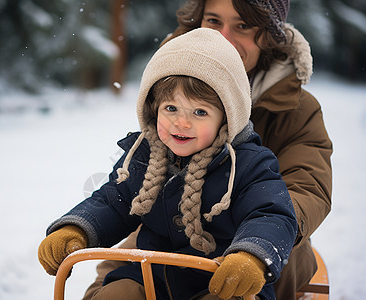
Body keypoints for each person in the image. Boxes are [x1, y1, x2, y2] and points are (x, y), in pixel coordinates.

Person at [82, 0, 333, 299]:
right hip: (168, 231)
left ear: (268, 34)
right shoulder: (175, 79)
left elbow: (308, 186)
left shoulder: (295, 109)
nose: (224, 37)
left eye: (242, 26)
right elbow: (123, 192)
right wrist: (83, 226)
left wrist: (259, 236)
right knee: (116, 281)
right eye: (213, 21)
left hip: (256, 237)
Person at [38, 28, 298, 300]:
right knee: (117, 294)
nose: (181, 123)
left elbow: (271, 214)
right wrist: (76, 228)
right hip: (151, 276)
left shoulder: (249, 164)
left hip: (221, 279)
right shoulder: (142, 156)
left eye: (200, 112)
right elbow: (111, 202)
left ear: (226, 118)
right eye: (171, 108)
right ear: (154, 109)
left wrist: (251, 255)